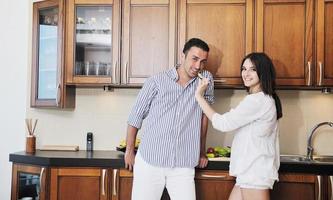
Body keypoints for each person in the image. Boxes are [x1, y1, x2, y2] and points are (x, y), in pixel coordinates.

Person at [125, 38, 215, 200]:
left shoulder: (205, 81)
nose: (198, 66)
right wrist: (129, 151)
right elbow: (135, 116)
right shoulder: (157, 82)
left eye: (203, 62)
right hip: (150, 161)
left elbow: (204, 117)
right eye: (194, 59)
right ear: (182, 56)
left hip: (183, 164)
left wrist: (202, 151)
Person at [195, 52, 282, 200]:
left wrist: (199, 96)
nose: (246, 73)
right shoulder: (264, 99)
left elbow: (222, 123)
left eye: (253, 69)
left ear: (263, 72)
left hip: (254, 173)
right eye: (244, 68)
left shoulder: (257, 101)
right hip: (249, 172)